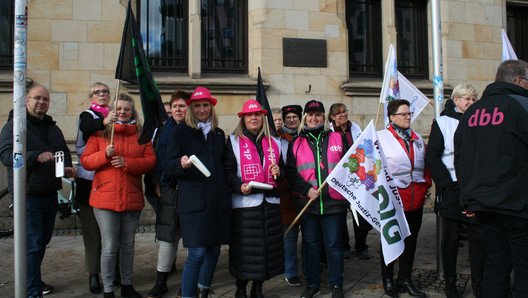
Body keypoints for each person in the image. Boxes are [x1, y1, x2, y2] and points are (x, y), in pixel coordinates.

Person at [454, 59, 528, 297]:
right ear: (518, 80)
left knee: (496, 266)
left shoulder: (472, 112)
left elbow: (461, 157)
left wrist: (467, 198)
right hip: (519, 205)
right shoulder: (522, 105)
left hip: (484, 204)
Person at [0, 86, 76, 297]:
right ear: (26, 101)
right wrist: (35, 156)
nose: (41, 102)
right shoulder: (14, 126)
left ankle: (31, 278)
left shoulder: (52, 128)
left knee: (42, 242)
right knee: (32, 244)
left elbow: (63, 152)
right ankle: (31, 290)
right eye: (37, 98)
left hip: (50, 193)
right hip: (27, 195)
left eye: (45, 99)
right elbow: (7, 156)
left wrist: (67, 168)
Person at [81, 94, 156, 298]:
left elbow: (150, 162)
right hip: (104, 199)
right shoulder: (100, 134)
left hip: (131, 197)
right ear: (112, 112)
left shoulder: (142, 135)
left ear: (133, 112)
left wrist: (127, 163)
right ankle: (108, 289)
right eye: (119, 109)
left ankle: (127, 285)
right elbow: (86, 161)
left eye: (127, 109)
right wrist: (104, 154)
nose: (123, 112)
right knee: (110, 245)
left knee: (128, 245)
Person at [163, 87, 231, 298]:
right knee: (197, 252)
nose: (202, 110)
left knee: (213, 250)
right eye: (198, 105)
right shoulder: (180, 131)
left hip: (216, 200)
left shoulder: (218, 134)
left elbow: (224, 166)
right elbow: (167, 163)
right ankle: (187, 294)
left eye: (206, 105)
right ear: (192, 108)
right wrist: (180, 164)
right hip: (193, 201)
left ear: (211, 107)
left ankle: (203, 289)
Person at [425, 83, 485, 298]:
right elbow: (433, 155)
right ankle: (450, 281)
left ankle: (479, 281)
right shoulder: (442, 123)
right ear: (456, 100)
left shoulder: (482, 120)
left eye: (473, 99)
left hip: (476, 188)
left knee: (478, 236)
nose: (470, 103)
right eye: (466, 99)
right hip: (452, 188)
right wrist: (447, 183)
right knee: (451, 236)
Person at [286, 100, 348, 298]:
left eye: (318, 114)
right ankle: (312, 283)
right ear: (305, 117)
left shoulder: (338, 138)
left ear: (324, 117)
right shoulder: (296, 143)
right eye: (310, 114)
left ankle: (336, 284)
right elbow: (291, 173)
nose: (314, 118)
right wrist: (306, 190)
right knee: (311, 246)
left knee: (334, 247)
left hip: (334, 204)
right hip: (308, 204)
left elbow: (349, 167)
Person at [224, 99, 284, 298]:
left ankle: (258, 287)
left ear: (263, 117)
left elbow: (284, 172)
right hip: (245, 204)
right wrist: (238, 186)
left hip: (270, 204)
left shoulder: (275, 142)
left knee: (266, 248)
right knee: (245, 249)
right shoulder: (233, 141)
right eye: (250, 115)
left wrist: (279, 171)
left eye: (257, 114)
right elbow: (229, 172)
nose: (254, 118)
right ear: (243, 119)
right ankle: (241, 286)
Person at [377, 99, 431, 298]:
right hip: (393, 200)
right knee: (391, 239)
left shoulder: (416, 139)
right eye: (404, 114)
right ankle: (388, 278)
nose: (408, 117)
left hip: (415, 199)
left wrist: (426, 185)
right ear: (392, 117)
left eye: (409, 113)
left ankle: (405, 279)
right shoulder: (381, 138)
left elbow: (425, 166)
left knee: (411, 240)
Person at [75, 82, 118, 294]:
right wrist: (105, 121)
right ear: (91, 97)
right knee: (93, 233)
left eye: (105, 91)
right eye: (97, 92)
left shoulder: (117, 113)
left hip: (111, 181)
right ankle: (94, 273)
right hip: (89, 182)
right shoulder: (87, 115)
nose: (102, 95)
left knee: (112, 232)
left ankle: (114, 271)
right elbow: (87, 127)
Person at [147, 90, 191, 298]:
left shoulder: (196, 129)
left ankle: (189, 281)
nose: (179, 110)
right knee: (168, 237)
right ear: (170, 110)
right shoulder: (164, 131)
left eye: (182, 106)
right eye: (175, 106)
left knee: (192, 238)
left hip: (191, 190)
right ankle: (161, 280)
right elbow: (157, 159)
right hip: (169, 189)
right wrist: (158, 182)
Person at [328, 103, 373, 260]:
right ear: (332, 117)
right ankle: (344, 246)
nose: (343, 115)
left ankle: (361, 246)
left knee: (360, 213)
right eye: (338, 113)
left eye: (344, 111)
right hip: (339, 177)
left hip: (356, 175)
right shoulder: (329, 132)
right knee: (340, 215)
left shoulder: (355, 128)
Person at [277, 105, 304, 287]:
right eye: (288, 117)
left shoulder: (305, 137)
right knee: (289, 235)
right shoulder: (278, 139)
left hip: (306, 191)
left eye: (295, 116)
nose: (292, 120)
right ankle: (290, 271)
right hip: (286, 192)